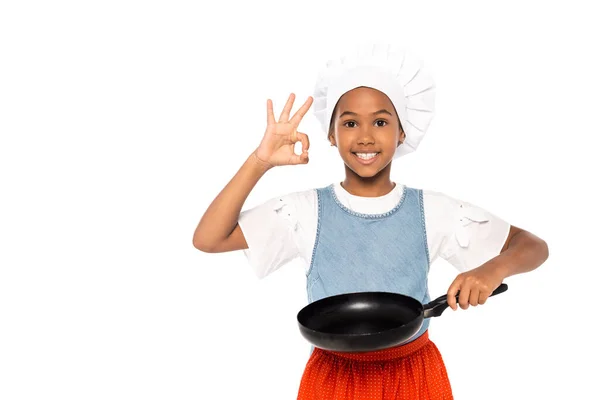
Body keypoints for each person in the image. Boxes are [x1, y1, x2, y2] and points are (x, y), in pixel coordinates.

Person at [192, 43, 549, 399]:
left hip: (412, 375)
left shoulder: (432, 209)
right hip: (332, 379)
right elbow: (209, 239)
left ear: (402, 132)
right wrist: (261, 161)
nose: (365, 136)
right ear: (331, 135)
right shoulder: (304, 210)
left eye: (380, 121)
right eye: (349, 123)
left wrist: (492, 270)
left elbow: (533, 246)